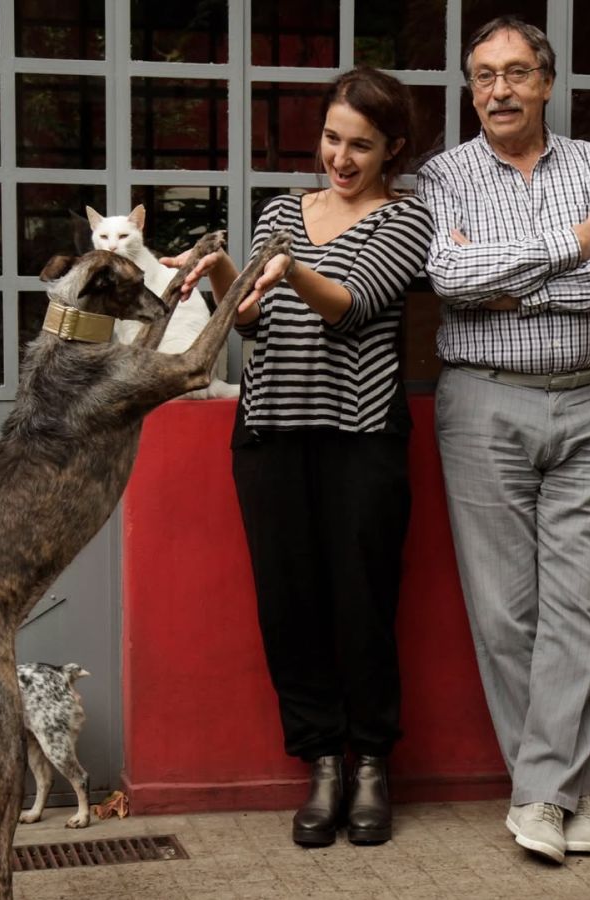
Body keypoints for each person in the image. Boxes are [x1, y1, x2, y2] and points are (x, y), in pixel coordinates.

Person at [162, 66, 433, 846]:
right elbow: (254, 323)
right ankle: (321, 762)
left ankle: (373, 762)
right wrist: (223, 272)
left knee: (364, 604)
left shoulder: (403, 220)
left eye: (361, 146)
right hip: (271, 432)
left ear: (392, 151)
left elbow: (349, 309)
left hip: (361, 440)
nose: (340, 159)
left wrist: (290, 268)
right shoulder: (280, 212)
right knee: (290, 606)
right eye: (331, 139)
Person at [416, 16, 590, 864]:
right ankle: (559, 795)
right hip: (484, 405)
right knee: (505, 613)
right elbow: (450, 277)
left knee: (582, 611)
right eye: (483, 76)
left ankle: (542, 795)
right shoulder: (444, 176)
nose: (499, 91)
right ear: (470, 87)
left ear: (547, 82)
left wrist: (515, 283)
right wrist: (566, 250)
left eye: (516, 73)